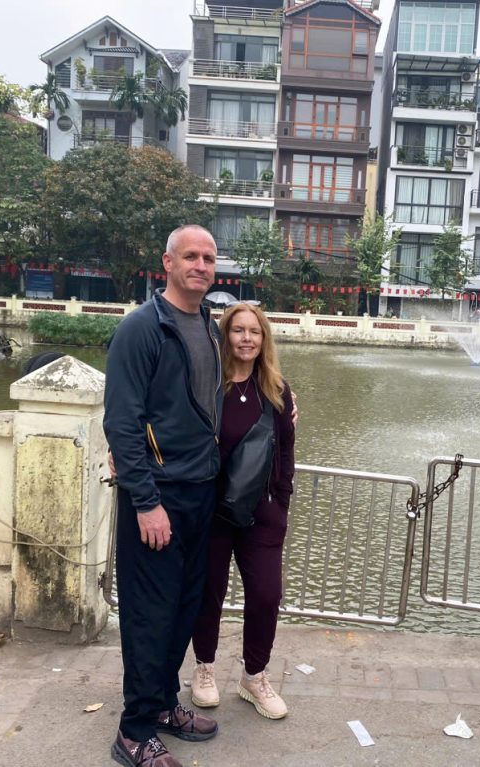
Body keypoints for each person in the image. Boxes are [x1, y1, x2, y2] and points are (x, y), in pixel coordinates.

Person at [104, 224, 222, 767]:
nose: (200, 265)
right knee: (150, 614)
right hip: (159, 497)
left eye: (208, 258)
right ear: (167, 264)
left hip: (202, 491)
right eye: (190, 256)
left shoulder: (209, 326)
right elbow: (122, 424)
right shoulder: (141, 328)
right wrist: (145, 501)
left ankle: (163, 705)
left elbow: (214, 402)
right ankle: (133, 730)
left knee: (183, 609)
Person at [190, 303, 296, 720]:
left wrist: (282, 504)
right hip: (212, 511)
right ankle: (204, 668)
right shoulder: (209, 386)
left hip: (263, 514)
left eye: (255, 331)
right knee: (208, 594)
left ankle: (255, 676)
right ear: (225, 335)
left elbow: (285, 453)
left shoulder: (277, 390)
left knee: (267, 595)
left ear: (264, 338)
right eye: (238, 331)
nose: (247, 338)